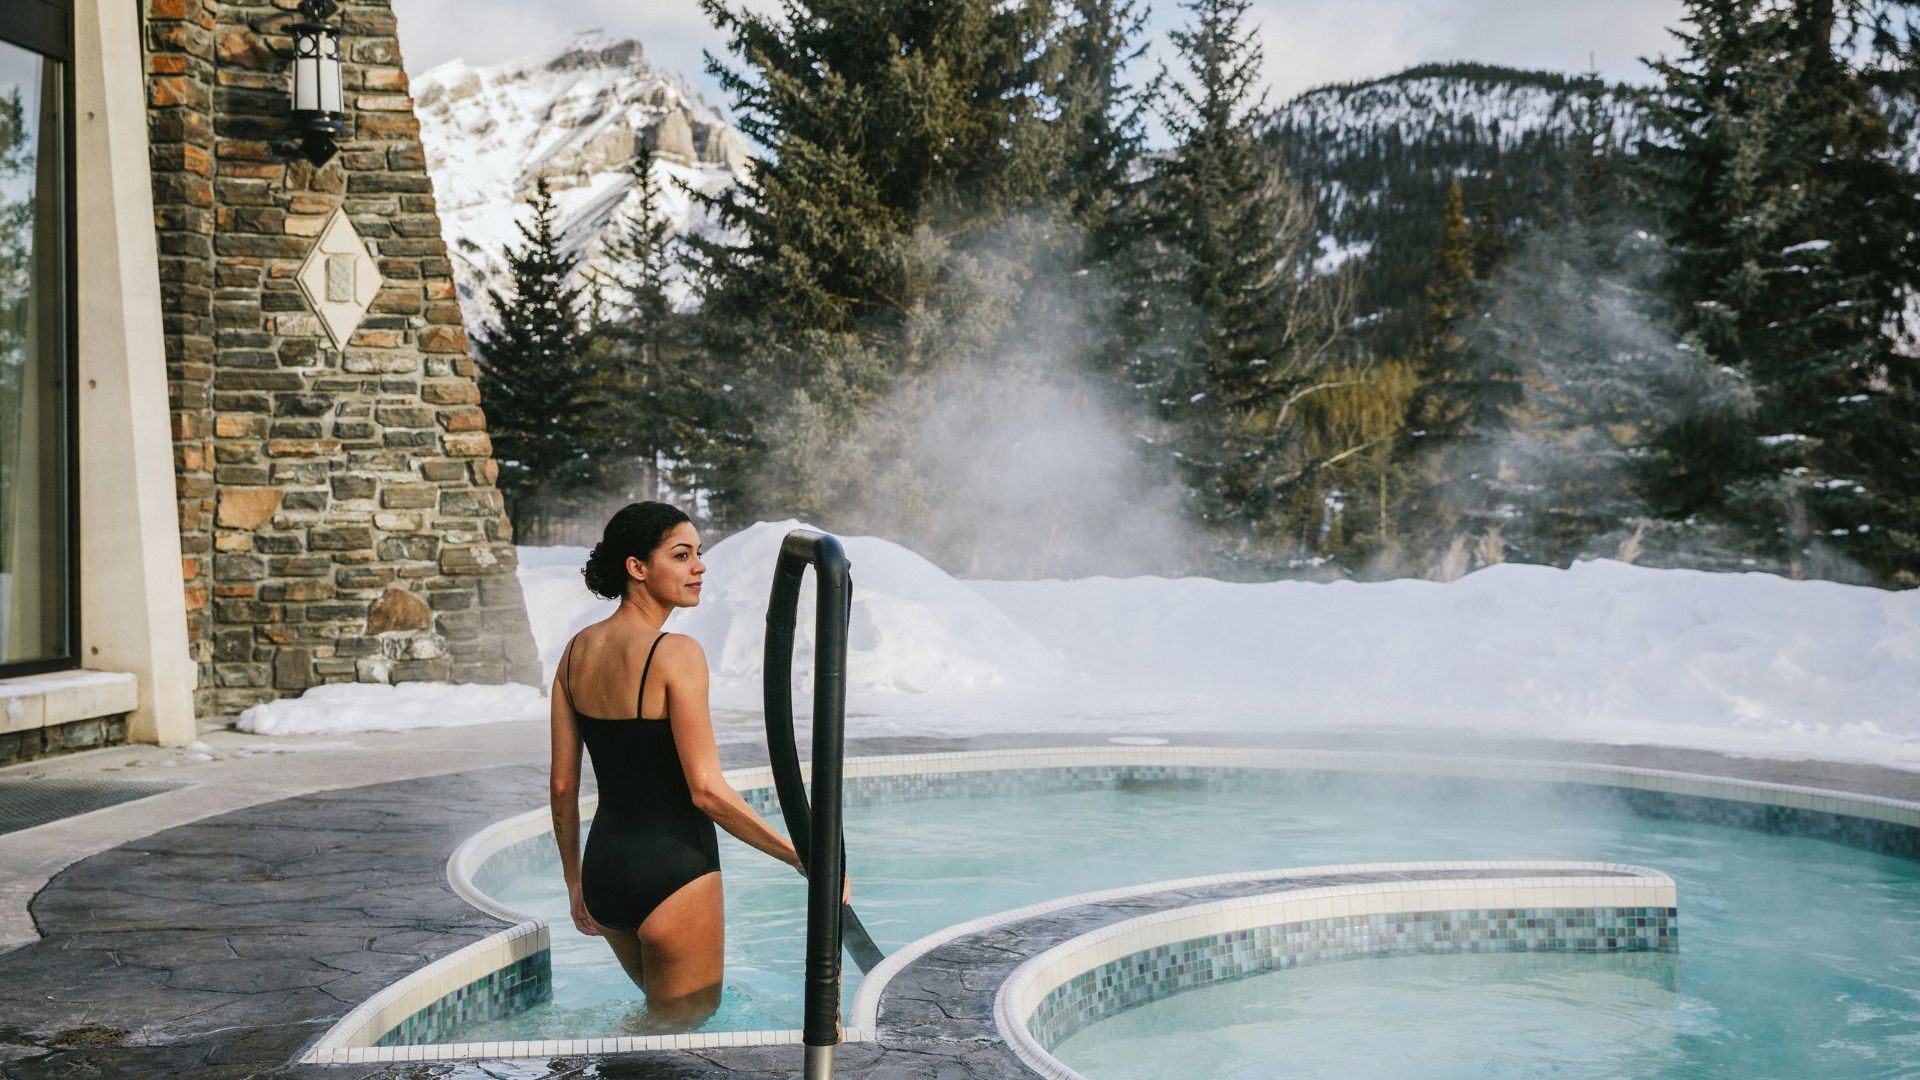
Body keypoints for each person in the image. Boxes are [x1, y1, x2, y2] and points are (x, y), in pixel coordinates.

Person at [548, 501, 850, 1029]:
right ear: (637, 568)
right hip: (673, 874)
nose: (699, 567)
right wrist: (803, 857)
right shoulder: (677, 653)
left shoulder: (576, 652)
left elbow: (561, 785)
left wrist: (576, 884)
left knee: (657, 1024)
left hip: (604, 874)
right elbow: (706, 791)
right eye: (681, 555)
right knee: (683, 1032)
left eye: (698, 554)